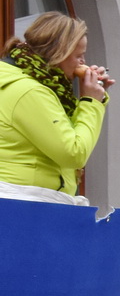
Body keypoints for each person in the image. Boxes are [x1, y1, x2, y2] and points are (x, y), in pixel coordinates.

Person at [0, 11, 112, 203]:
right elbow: (73, 152)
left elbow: (60, 132)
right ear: (58, 54)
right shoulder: (30, 91)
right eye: (79, 55)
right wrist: (91, 102)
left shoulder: (23, 79)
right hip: (26, 201)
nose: (83, 62)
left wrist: (95, 97)